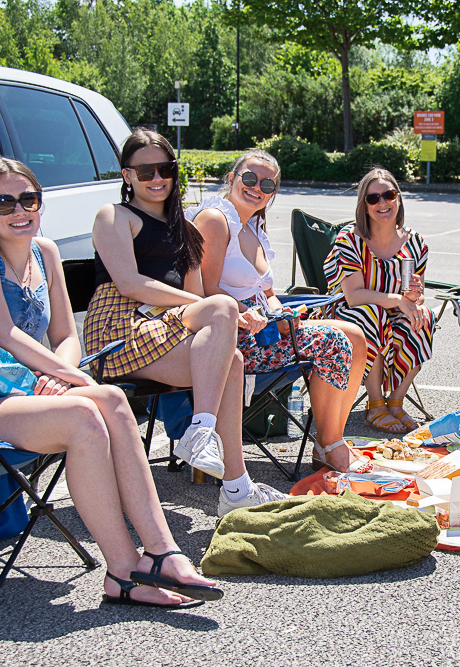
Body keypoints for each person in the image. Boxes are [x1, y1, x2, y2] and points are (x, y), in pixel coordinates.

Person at [0, 157, 219, 609]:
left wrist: (55, 376)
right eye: (4, 201)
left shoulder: (44, 252)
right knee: (84, 414)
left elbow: (66, 335)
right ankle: (124, 570)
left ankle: (162, 552)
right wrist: (61, 379)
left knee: (109, 398)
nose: (18, 210)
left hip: (13, 392)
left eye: (28, 199)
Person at [84, 129, 286, 516]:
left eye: (164, 169)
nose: (156, 178)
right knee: (223, 309)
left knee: (235, 361)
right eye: (145, 172)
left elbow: (197, 296)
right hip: (117, 329)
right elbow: (130, 283)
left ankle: (234, 485)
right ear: (127, 176)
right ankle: (202, 434)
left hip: (162, 328)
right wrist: (217, 308)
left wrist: (222, 313)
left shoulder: (183, 228)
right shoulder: (115, 216)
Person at [189, 151, 369, 474]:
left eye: (268, 183)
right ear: (231, 179)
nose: (257, 187)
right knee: (333, 341)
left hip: (268, 330)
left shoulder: (253, 226)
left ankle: (330, 440)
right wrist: (261, 315)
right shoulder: (216, 221)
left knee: (355, 335)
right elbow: (206, 292)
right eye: (249, 178)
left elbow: (268, 293)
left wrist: (281, 312)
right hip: (236, 336)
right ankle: (330, 447)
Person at [324, 167, 435, 435]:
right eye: (373, 199)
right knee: (372, 313)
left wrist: (413, 298)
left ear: (398, 198)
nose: (382, 203)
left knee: (423, 316)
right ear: (364, 204)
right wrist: (398, 300)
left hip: (392, 309)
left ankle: (395, 402)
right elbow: (353, 296)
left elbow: (413, 293)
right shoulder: (350, 239)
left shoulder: (415, 242)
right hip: (350, 312)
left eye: (388, 195)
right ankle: (375, 404)